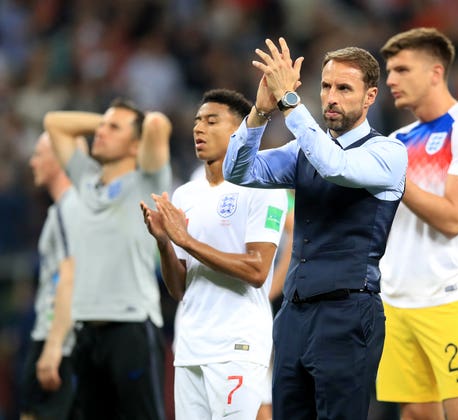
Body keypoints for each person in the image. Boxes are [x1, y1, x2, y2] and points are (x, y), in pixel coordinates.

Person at [223, 38, 408, 419]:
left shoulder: (388, 153)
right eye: (325, 87)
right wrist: (260, 112)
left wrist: (289, 101)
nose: (331, 98)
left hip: (349, 312)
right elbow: (238, 171)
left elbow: (334, 166)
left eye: (344, 88)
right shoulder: (304, 148)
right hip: (294, 314)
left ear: (370, 95)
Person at [376, 27, 458, 420]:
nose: (390, 80)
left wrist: (396, 180)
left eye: (401, 70)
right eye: (389, 71)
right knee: (414, 413)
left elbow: (454, 218)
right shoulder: (396, 139)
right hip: (396, 299)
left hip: (448, 297)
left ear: (435, 72)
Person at [140, 88, 288, 419]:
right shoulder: (185, 194)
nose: (198, 129)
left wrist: (188, 241)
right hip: (190, 346)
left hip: (237, 346)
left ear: (239, 131)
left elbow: (257, 270)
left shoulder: (264, 187)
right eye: (196, 122)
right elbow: (179, 289)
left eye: (211, 121)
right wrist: (164, 241)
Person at [43, 99, 172, 419]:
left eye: (113, 129)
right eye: (100, 127)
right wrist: (109, 121)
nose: (99, 133)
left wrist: (137, 126)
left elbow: (157, 123)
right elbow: (54, 121)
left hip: (132, 327)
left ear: (134, 145)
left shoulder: (147, 181)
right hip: (86, 330)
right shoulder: (86, 178)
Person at [19, 133, 84, 420]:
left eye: (39, 154)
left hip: (58, 337)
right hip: (54, 334)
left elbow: (71, 277)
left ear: (59, 160)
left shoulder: (71, 208)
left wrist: (55, 345)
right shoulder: (63, 208)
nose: (32, 162)